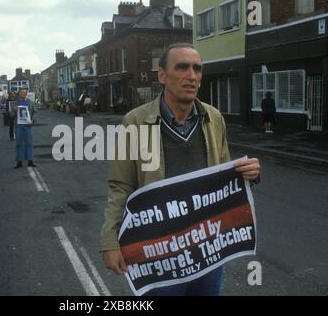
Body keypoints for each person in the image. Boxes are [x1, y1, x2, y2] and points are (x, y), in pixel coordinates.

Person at [100, 43, 261, 296]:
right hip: (160, 252)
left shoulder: (214, 117)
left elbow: (225, 177)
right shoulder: (135, 121)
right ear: (162, 75)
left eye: (197, 69)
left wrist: (249, 173)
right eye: (182, 67)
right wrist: (110, 241)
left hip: (208, 247)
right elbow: (121, 186)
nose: (192, 76)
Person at [10, 89, 37, 168]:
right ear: (19, 94)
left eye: (25, 92)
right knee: (19, 144)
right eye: (22, 92)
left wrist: (32, 121)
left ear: (26, 94)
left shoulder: (30, 102)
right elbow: (11, 115)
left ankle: (30, 160)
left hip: (27, 126)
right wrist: (14, 110)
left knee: (29, 143)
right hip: (19, 126)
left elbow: (35, 113)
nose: (23, 94)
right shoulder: (15, 103)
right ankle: (19, 161)